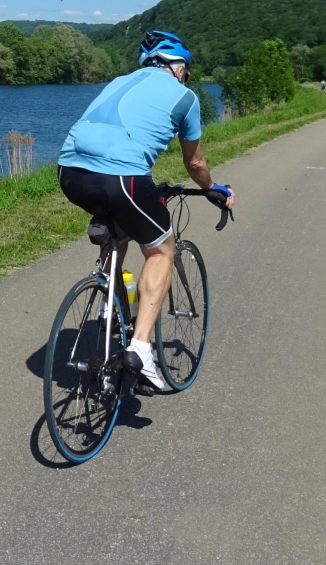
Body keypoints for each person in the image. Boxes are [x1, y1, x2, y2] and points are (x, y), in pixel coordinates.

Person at [57, 30, 235, 391]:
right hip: (123, 177)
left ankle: (111, 306)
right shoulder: (185, 97)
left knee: (118, 227)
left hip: (69, 172)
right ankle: (140, 349)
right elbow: (195, 162)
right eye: (186, 70)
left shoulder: (120, 81)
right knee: (160, 251)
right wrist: (212, 188)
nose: (186, 77)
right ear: (178, 67)